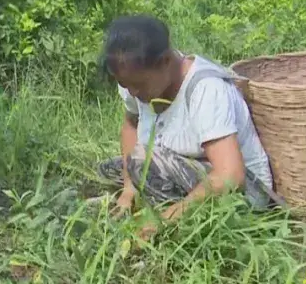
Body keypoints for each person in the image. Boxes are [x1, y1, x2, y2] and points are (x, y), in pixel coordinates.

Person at [96, 14, 278, 238]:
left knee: (141, 162)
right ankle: (145, 204)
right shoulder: (135, 81)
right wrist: (128, 186)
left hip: (243, 194)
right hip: (178, 163)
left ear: (165, 62)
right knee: (111, 168)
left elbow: (230, 175)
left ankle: (172, 232)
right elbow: (130, 124)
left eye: (138, 85)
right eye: (125, 85)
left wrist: (170, 217)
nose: (132, 92)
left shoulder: (206, 89)